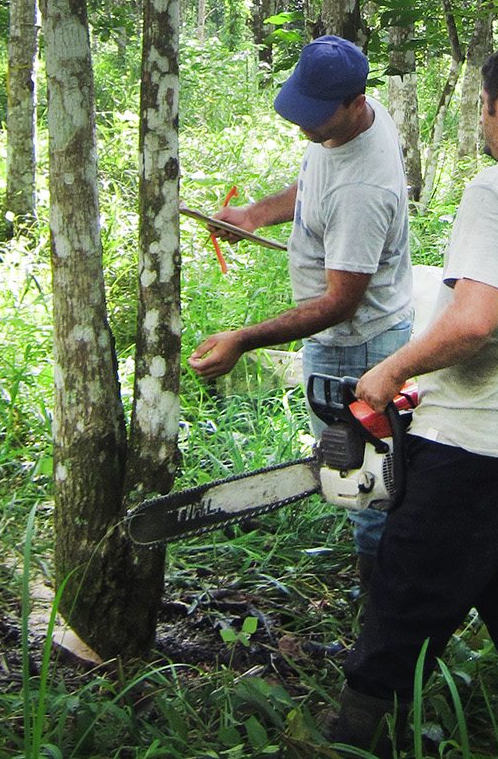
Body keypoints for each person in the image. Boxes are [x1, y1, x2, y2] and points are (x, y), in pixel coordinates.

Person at [334, 41, 498, 756]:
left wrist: (391, 371)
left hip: (471, 446)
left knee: (404, 599)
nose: (482, 116)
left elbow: (475, 319)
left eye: (484, 103)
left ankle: (353, 738)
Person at [188, 34, 412, 584]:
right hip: (346, 339)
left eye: (316, 118)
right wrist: (255, 214)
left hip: (360, 345)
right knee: (355, 475)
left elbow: (339, 303)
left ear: (355, 103)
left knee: (371, 486)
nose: (304, 129)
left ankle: (381, 617)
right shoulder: (351, 122)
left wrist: (242, 339)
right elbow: (317, 180)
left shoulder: (364, 189)